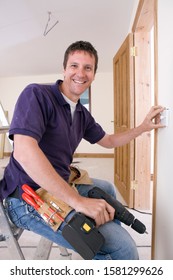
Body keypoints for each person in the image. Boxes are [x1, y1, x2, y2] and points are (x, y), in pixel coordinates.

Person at [0, 41, 164, 260]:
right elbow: (24, 151)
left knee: (105, 188)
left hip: (58, 184)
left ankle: (102, 238)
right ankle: (109, 249)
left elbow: (108, 141)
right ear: (64, 69)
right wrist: (78, 202)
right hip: (26, 197)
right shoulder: (37, 95)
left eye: (88, 68)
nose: (80, 73)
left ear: (94, 74)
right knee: (123, 248)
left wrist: (143, 127)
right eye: (74, 66)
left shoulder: (81, 114)